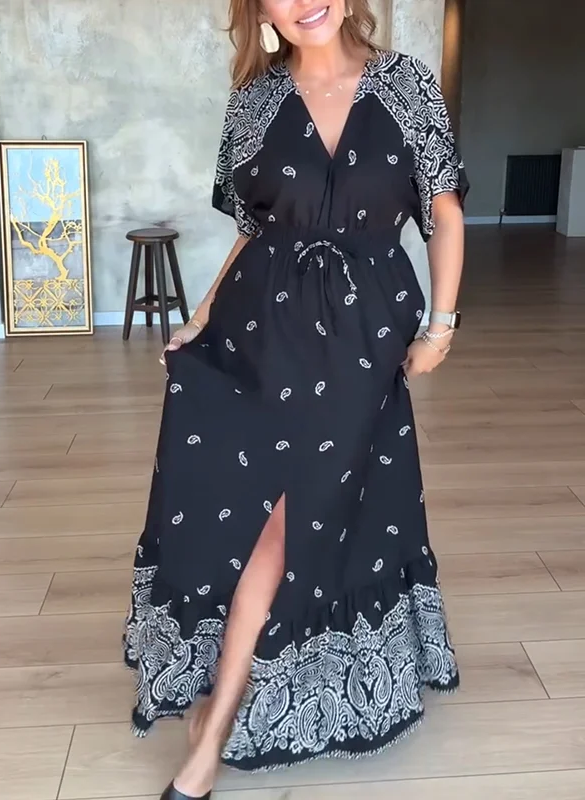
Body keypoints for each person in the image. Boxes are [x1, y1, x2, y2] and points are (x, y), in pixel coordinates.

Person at [124, 1, 468, 798]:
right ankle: (219, 710)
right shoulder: (254, 101)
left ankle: (212, 732)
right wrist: (200, 318)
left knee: (295, 512)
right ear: (259, 10)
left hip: (362, 335)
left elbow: (445, 213)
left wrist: (442, 327)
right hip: (260, 328)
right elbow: (253, 230)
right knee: (251, 507)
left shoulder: (408, 85)